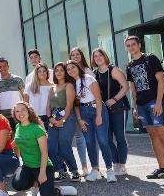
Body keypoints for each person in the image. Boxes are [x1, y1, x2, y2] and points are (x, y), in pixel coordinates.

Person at [125, 35, 164, 181]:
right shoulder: (130, 66)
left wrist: (158, 103)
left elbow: (161, 81)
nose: (131, 47)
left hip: (153, 101)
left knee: (162, 134)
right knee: (152, 135)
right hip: (141, 104)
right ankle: (162, 168)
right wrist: (135, 107)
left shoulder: (150, 58)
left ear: (139, 45)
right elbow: (133, 88)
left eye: (133, 44)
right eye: (128, 45)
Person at [11, 102, 77, 196]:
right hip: (27, 166)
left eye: (23, 110)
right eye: (17, 111)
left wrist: (42, 172)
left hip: (43, 166)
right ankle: (35, 185)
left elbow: (44, 152)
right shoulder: (18, 127)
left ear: (29, 111)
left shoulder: (37, 129)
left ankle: (58, 190)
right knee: (17, 184)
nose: (21, 113)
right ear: (14, 114)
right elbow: (16, 142)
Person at [66, 60, 116, 183]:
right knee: (89, 141)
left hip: (97, 109)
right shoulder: (72, 84)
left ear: (78, 67)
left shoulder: (88, 78)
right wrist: (79, 119)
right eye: (68, 69)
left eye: (73, 67)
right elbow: (76, 104)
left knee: (103, 140)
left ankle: (110, 170)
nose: (71, 70)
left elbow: (98, 97)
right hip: (83, 113)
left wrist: (99, 115)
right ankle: (95, 170)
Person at [92, 48, 130, 176]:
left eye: (100, 55)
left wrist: (114, 99)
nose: (98, 58)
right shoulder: (94, 73)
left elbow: (126, 87)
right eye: (95, 56)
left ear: (105, 56)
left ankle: (122, 165)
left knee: (119, 136)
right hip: (104, 109)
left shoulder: (113, 70)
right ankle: (116, 164)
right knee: (107, 139)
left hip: (118, 106)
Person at [46, 63, 80, 182]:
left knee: (64, 144)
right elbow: (48, 106)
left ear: (65, 72)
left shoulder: (69, 85)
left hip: (67, 116)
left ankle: (74, 171)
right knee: (51, 147)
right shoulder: (52, 88)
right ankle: (60, 171)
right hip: (53, 118)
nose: (59, 73)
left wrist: (63, 120)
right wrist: (50, 118)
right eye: (56, 71)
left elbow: (70, 105)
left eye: (61, 70)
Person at [69, 47, 92, 176]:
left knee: (91, 137)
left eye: (78, 54)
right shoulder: (69, 73)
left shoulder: (88, 72)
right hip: (75, 109)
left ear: (82, 56)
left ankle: (95, 166)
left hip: (88, 108)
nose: (75, 56)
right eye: (73, 55)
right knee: (80, 137)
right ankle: (84, 166)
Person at [0, 57, 26, 130]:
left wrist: (24, 110)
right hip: (3, 115)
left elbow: (25, 95)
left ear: (8, 66)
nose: (3, 68)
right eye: (0, 67)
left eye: (4, 66)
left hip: (17, 113)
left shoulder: (18, 79)